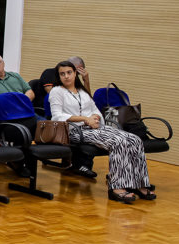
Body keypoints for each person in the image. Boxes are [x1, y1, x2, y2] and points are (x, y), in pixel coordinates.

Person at [49, 60, 151, 203]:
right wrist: (86, 119)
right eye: (62, 74)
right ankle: (116, 187)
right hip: (74, 131)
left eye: (69, 72)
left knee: (135, 139)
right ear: (58, 76)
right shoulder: (57, 91)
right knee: (118, 141)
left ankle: (138, 183)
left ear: (75, 73)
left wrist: (95, 117)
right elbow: (57, 116)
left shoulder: (82, 91)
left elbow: (95, 110)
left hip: (93, 127)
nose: (66, 76)